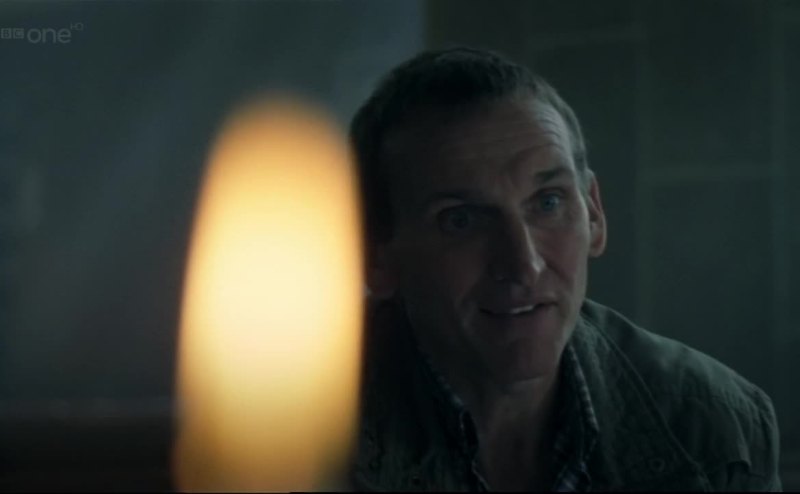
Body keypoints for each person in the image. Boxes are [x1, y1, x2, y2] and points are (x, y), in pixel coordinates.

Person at [347, 47, 782, 491]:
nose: (524, 264)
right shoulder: (307, 437)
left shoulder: (712, 426)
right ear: (375, 256)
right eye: (460, 220)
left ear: (593, 213)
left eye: (548, 202)